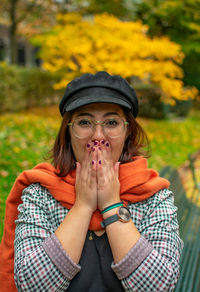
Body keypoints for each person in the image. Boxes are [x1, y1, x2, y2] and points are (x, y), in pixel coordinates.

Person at [0, 71, 183, 292]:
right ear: (68, 132)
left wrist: (111, 205)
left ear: (127, 132)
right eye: (85, 122)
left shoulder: (154, 197)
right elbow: (31, 286)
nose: (98, 136)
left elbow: (160, 287)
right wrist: (84, 205)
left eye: (112, 122)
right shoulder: (40, 193)